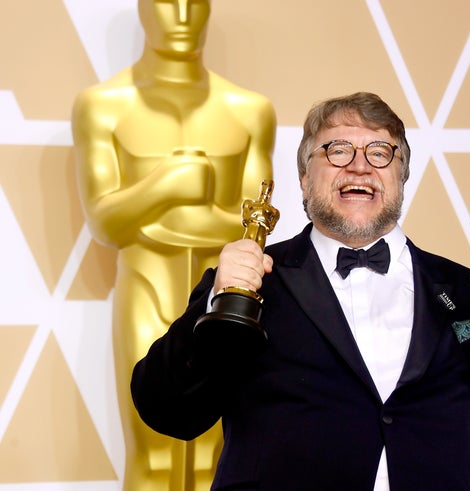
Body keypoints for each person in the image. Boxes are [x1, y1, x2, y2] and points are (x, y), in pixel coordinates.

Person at [131, 92, 470, 491]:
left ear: (402, 178)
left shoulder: (469, 294)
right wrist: (217, 304)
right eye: (338, 150)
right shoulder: (251, 282)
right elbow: (167, 409)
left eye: (381, 152)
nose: (360, 165)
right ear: (305, 181)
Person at [71, 0, 275, 489]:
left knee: (215, 455)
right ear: (143, 8)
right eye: (167, 1)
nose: (182, 15)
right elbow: (104, 222)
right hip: (146, 285)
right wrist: (166, 184)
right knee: (152, 455)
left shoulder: (249, 110)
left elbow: (256, 226)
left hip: (226, 298)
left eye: (194, 2)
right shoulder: (102, 105)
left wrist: (170, 210)